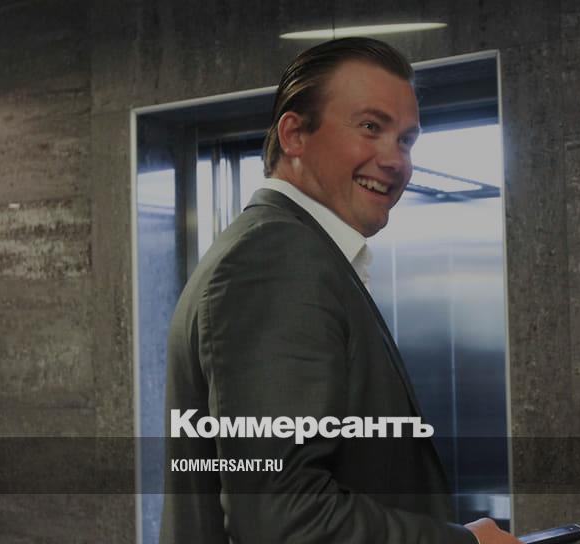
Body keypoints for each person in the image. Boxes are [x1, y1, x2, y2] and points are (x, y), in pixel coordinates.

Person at [161, 37, 521, 544]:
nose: (395, 160)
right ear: (294, 135)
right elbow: (284, 518)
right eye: (371, 127)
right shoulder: (274, 259)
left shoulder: (293, 251)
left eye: (406, 140)